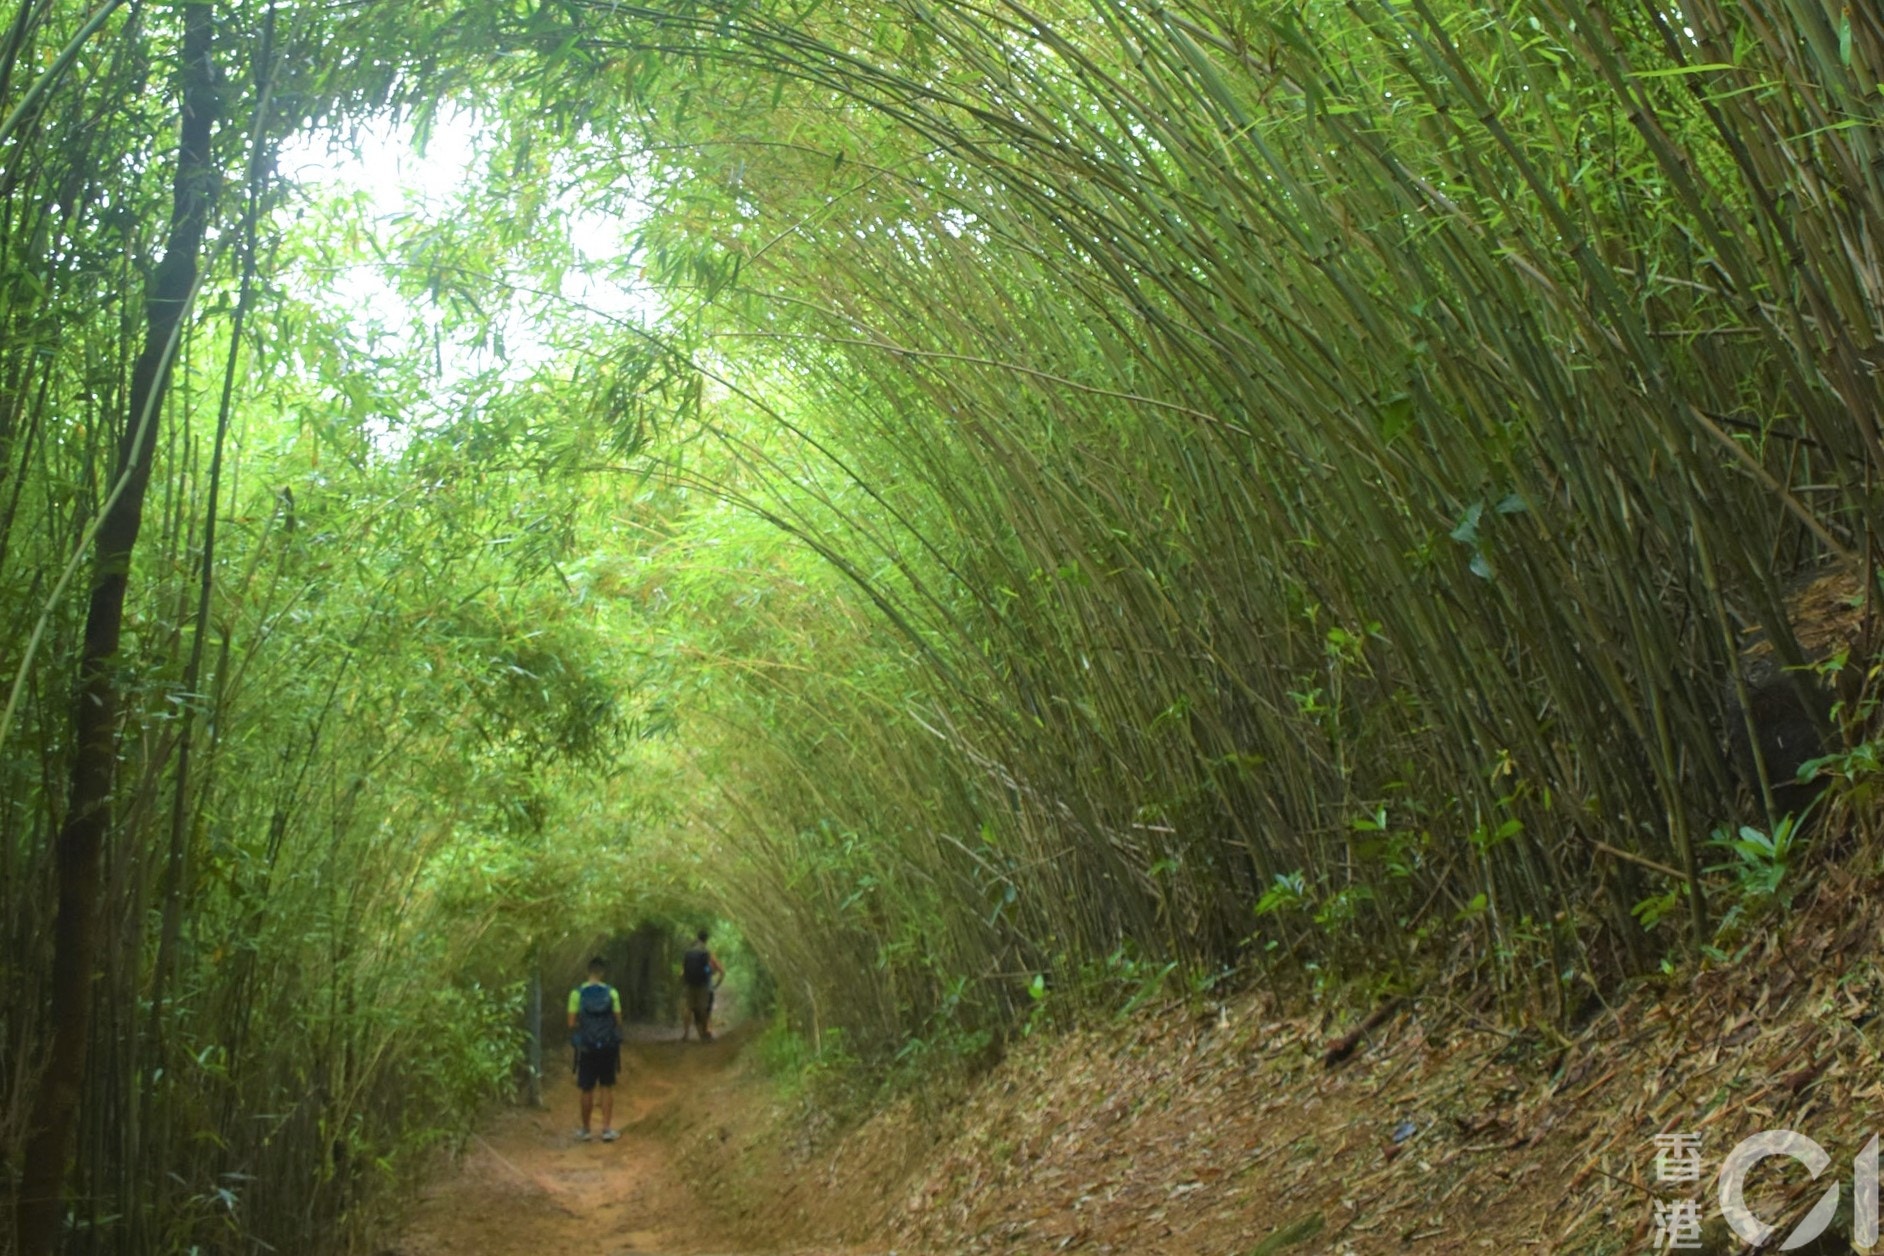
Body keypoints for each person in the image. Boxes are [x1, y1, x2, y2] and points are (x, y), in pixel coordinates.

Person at [567, 956, 623, 1141]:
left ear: (587, 972)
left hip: (587, 1047)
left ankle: (586, 1130)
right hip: (607, 1046)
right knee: (606, 1086)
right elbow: (618, 1020)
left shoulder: (576, 994)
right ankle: (606, 1129)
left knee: (587, 1087)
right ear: (602, 973)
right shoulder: (612, 992)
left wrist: (586, 1028)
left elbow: (571, 1023)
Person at [679, 930, 724, 1042]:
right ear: (706, 939)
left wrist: (684, 980)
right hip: (702, 984)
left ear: (697, 938)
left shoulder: (688, 952)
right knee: (703, 1009)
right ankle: (704, 1034)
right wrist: (709, 973)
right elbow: (709, 968)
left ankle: (686, 1034)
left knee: (688, 1007)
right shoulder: (706, 952)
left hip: (689, 983)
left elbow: (683, 970)